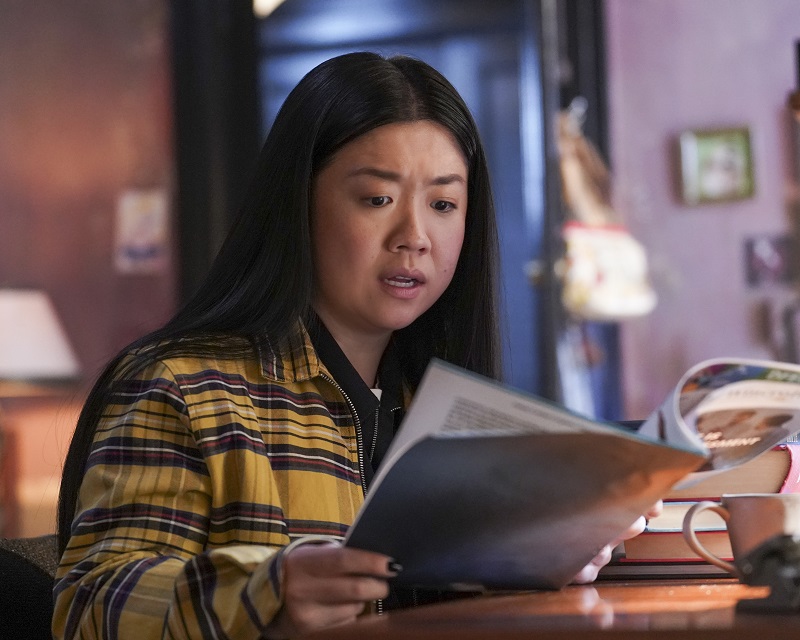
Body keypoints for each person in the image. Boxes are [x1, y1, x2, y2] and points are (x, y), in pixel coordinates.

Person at [53, 52, 656, 640]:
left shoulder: (448, 414)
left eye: (443, 204)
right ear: (298, 204)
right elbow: (91, 607)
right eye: (377, 199)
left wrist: (538, 562)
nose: (415, 236)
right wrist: (270, 592)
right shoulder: (184, 387)